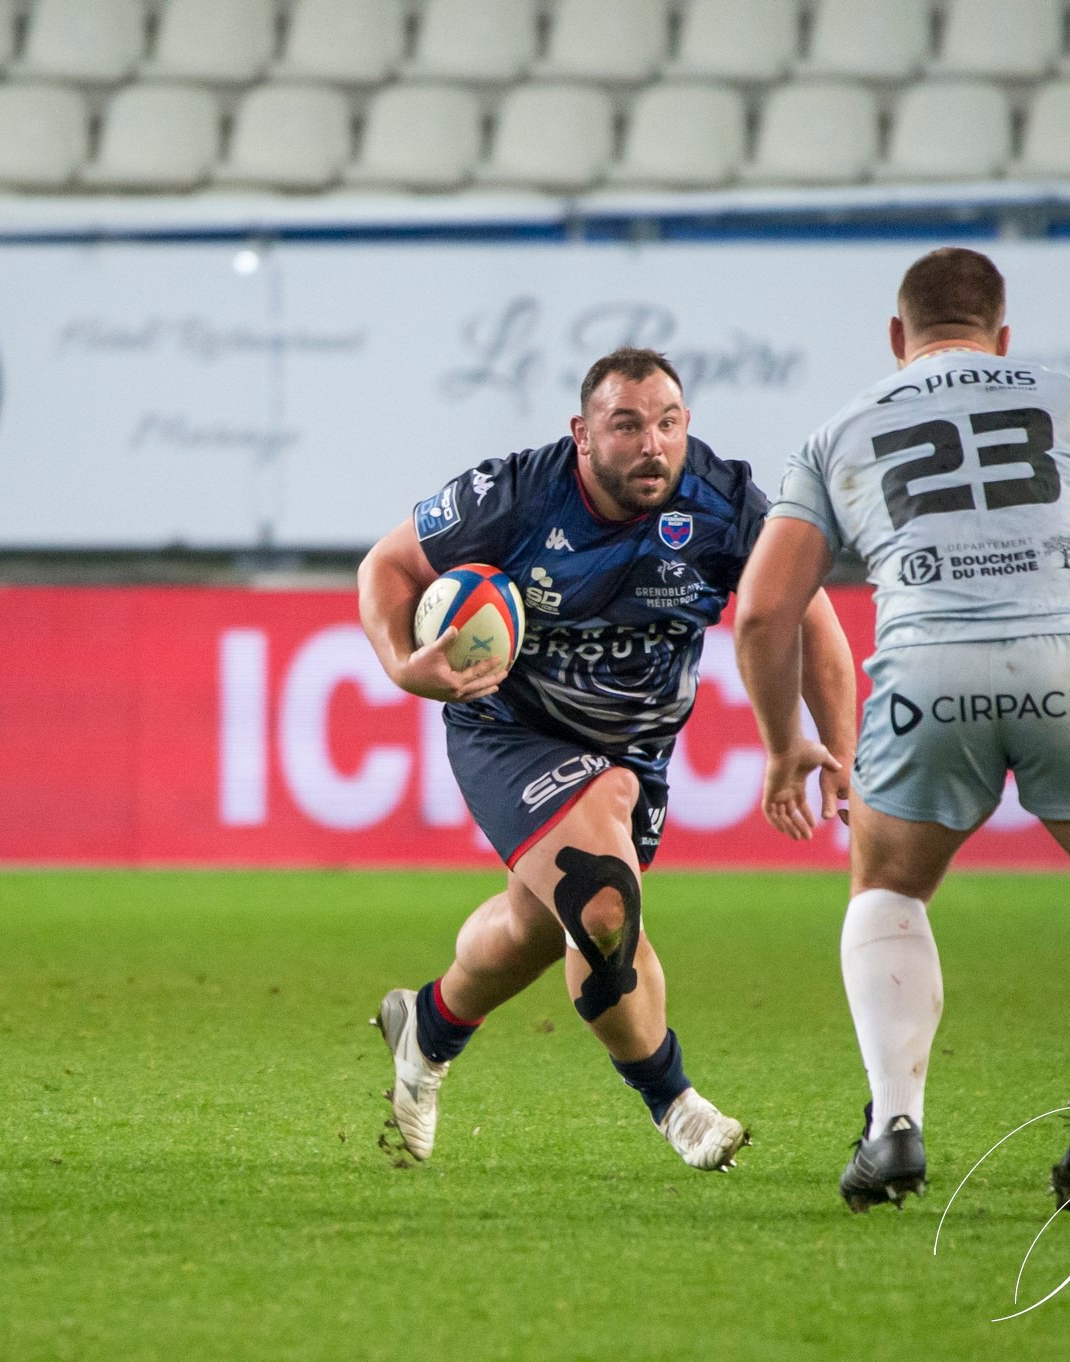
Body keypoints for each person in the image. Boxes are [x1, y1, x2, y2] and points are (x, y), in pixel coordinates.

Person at [733, 247, 1070, 1215]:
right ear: (1004, 337)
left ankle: (893, 1129)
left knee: (887, 886)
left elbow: (762, 612)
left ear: (897, 339)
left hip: (928, 677)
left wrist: (784, 740)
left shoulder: (839, 431)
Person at [356, 346, 856, 1172]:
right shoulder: (514, 494)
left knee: (530, 927)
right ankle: (676, 1103)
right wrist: (400, 665)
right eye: (626, 426)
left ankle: (427, 1028)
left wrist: (832, 748)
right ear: (583, 434)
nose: (652, 445)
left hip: (637, 751)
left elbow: (811, 622)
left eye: (667, 424)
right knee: (598, 904)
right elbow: (390, 564)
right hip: (510, 728)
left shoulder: (725, 505)